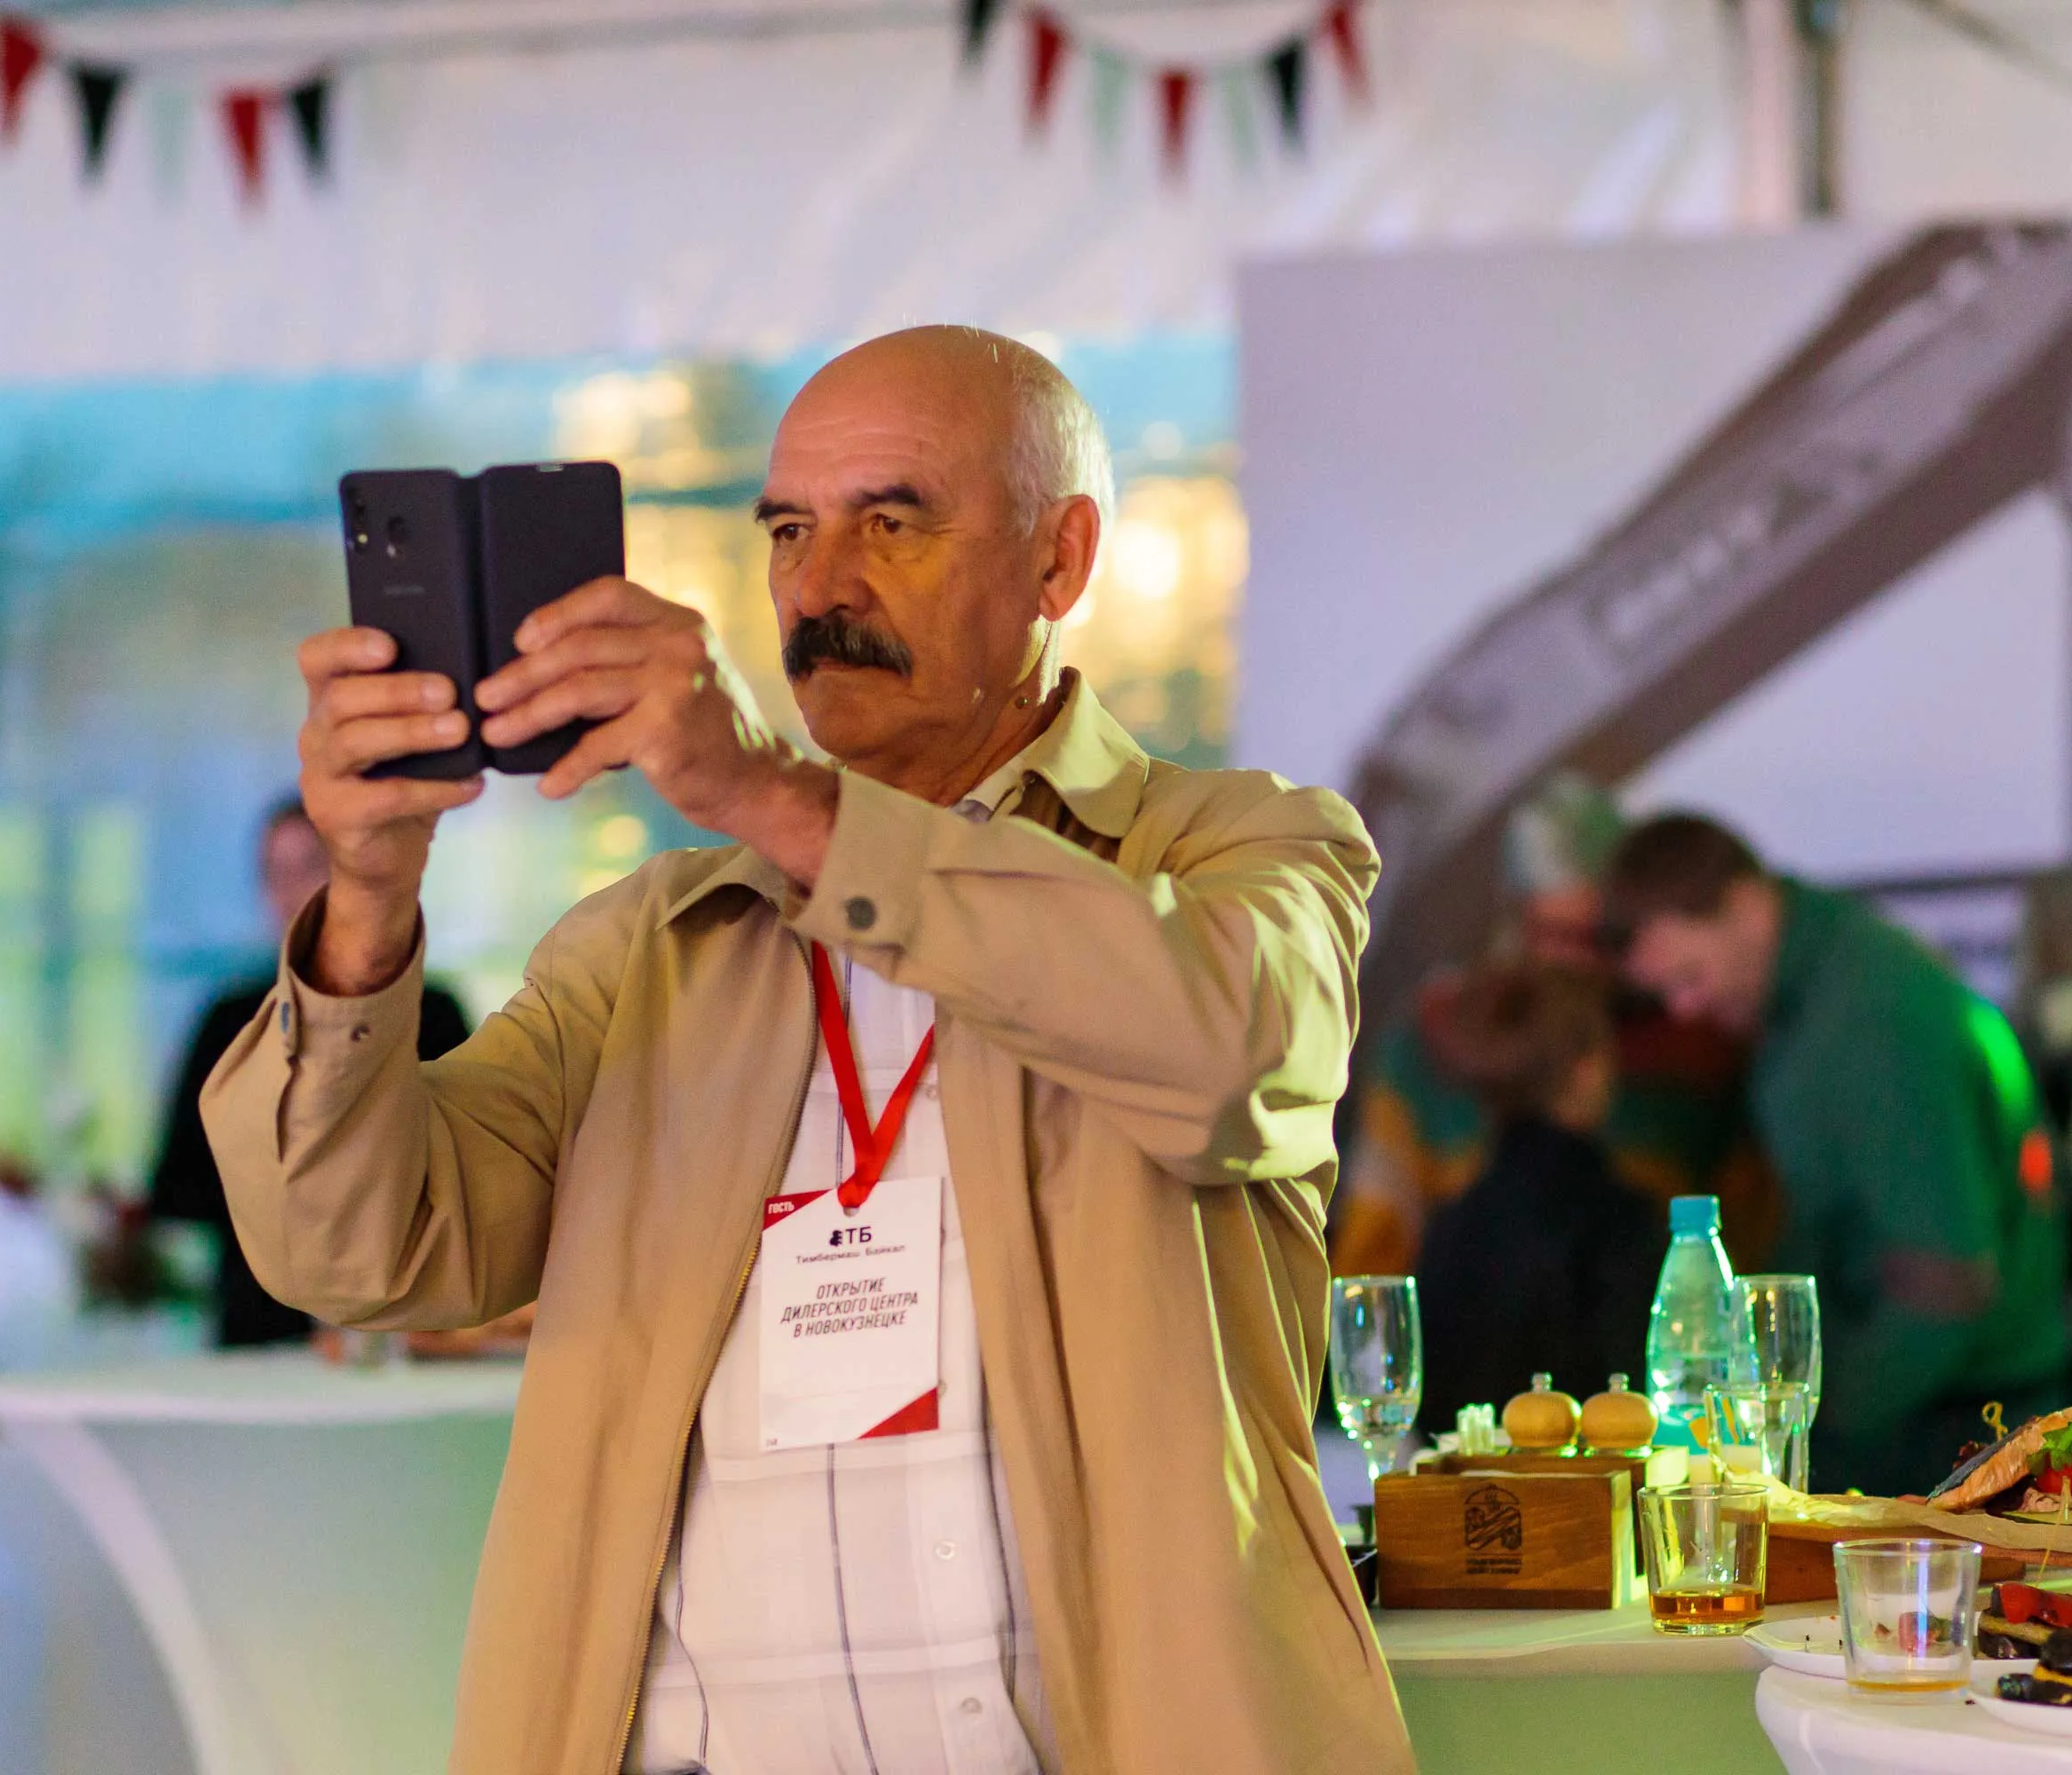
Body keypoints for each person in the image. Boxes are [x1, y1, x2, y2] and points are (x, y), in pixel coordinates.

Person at [202, 326, 1411, 1773]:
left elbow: (1226, 1054)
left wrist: (772, 796)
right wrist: (366, 894)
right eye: (789, 530)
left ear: (1060, 559)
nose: (821, 586)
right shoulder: (651, 947)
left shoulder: (1240, 850)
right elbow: (356, 1252)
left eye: (891, 523)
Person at [1605, 813, 2071, 1495]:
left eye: (1690, 976)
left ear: (1742, 904)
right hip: (1925, 1410)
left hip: (1953, 1433)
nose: (1685, 1010)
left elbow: (1945, 1282)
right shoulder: (1820, 990)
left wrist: (1814, 1427)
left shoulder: (1870, 1018)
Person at [1331, 773, 1773, 1280]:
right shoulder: (1427, 1051)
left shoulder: (1696, 1044)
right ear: (1517, 924)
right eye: (1553, 934)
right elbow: (1374, 1248)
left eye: (1597, 939)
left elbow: (1749, 1237)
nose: (1574, 962)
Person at [149, 798, 469, 1346]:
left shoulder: (430, 1010)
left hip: (404, 1317)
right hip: (261, 1321)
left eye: (312, 867)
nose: (294, 892)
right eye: (278, 874)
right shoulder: (230, 1021)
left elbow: (467, 1167)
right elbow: (178, 1183)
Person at [1412, 961, 1665, 1436]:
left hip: (1460, 1480)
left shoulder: (1452, 1224)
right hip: (1589, 1481)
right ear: (1587, 1069)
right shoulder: (1622, 1223)